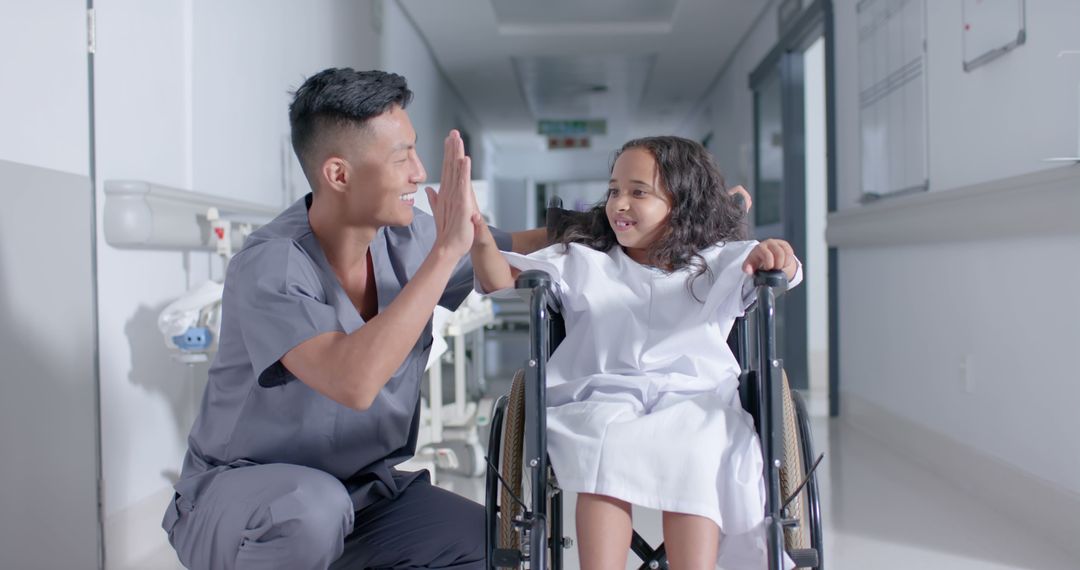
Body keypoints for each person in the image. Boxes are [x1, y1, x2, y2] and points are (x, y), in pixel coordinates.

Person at [161, 68, 544, 570]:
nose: (418, 171)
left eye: (415, 150)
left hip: (363, 498)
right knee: (310, 511)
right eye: (401, 155)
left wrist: (623, 222)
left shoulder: (409, 240)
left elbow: (520, 247)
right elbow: (354, 382)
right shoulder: (271, 264)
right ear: (338, 174)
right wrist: (448, 250)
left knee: (491, 546)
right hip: (242, 504)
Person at [470, 136, 801, 569]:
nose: (619, 204)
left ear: (681, 203)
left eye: (638, 192)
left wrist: (779, 254)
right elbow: (497, 278)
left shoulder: (719, 260)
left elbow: (785, 271)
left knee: (699, 447)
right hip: (601, 393)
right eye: (613, 191)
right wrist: (475, 232)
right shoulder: (585, 258)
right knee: (606, 447)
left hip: (694, 398)